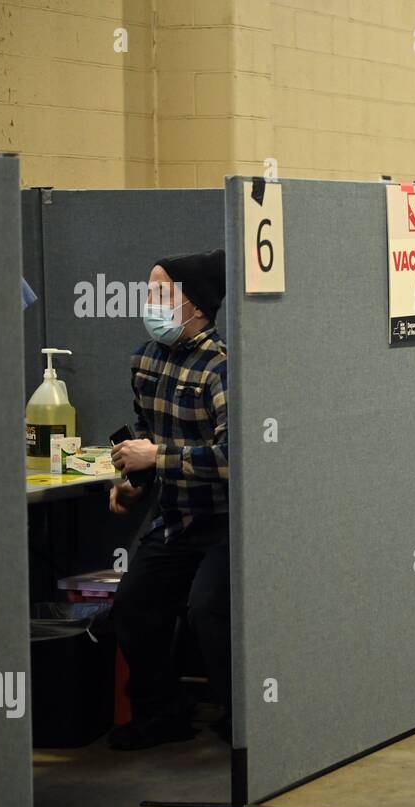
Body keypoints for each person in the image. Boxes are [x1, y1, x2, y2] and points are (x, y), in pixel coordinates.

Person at [107, 250, 231, 750]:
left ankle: (239, 716)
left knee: (209, 609)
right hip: (174, 520)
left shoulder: (221, 368)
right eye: (149, 291)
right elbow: (144, 435)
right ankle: (162, 714)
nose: (149, 302)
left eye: (162, 294)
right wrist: (133, 483)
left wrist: (156, 457)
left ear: (196, 306)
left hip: (225, 525)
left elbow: (233, 456)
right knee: (133, 605)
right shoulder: (145, 360)